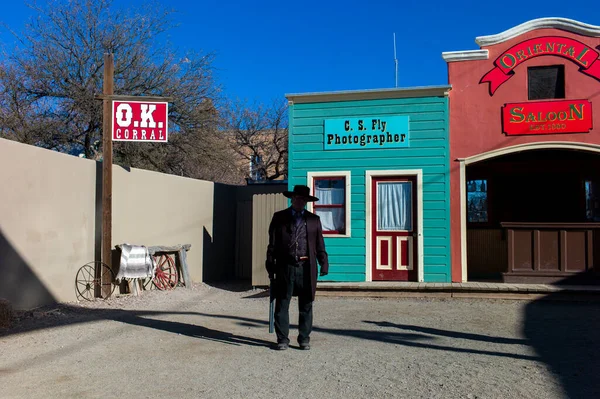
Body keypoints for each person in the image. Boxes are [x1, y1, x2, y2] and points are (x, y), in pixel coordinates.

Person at [266, 185, 329, 350]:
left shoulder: (314, 220)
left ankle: (304, 338)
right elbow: (272, 244)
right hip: (285, 266)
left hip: (306, 266)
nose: (300, 201)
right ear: (292, 198)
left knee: (307, 304)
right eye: (297, 198)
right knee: (282, 303)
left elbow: (319, 244)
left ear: (306, 201)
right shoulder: (279, 217)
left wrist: (324, 262)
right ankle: (282, 339)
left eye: (303, 199)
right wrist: (270, 265)